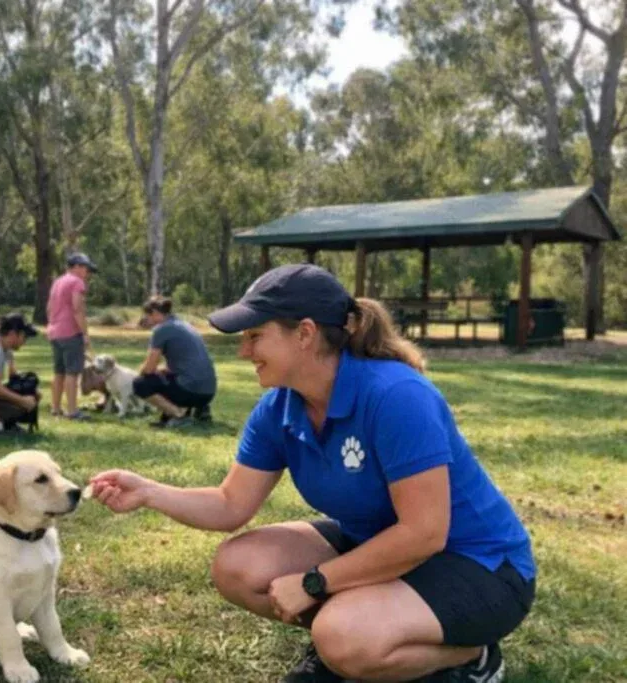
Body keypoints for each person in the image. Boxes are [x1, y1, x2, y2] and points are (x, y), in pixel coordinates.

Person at [91, 264, 535, 683]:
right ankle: (355, 637)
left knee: (340, 634)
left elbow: (424, 534)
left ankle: (472, 655)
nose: (245, 351)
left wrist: (315, 583)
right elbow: (230, 504)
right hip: (376, 547)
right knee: (238, 567)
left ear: (304, 334)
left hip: (479, 566)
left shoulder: (396, 395)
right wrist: (148, 492)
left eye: (255, 336)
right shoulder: (279, 408)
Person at [135, 295, 217, 428]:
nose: (147, 319)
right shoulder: (184, 325)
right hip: (208, 393)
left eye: (148, 316)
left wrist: (139, 372)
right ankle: (201, 410)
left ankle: (179, 415)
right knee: (164, 376)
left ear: (155, 313)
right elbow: (184, 362)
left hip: (191, 391)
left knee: (140, 384)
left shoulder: (161, 329)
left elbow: (148, 369)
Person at [47, 252, 97, 420]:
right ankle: (72, 410)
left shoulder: (57, 282)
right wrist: (85, 333)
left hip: (55, 331)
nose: (87, 272)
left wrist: (53, 324)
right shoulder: (77, 283)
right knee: (72, 372)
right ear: (75, 267)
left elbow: (49, 307)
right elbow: (77, 309)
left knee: (58, 371)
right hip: (71, 332)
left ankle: (55, 408)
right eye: (85, 268)